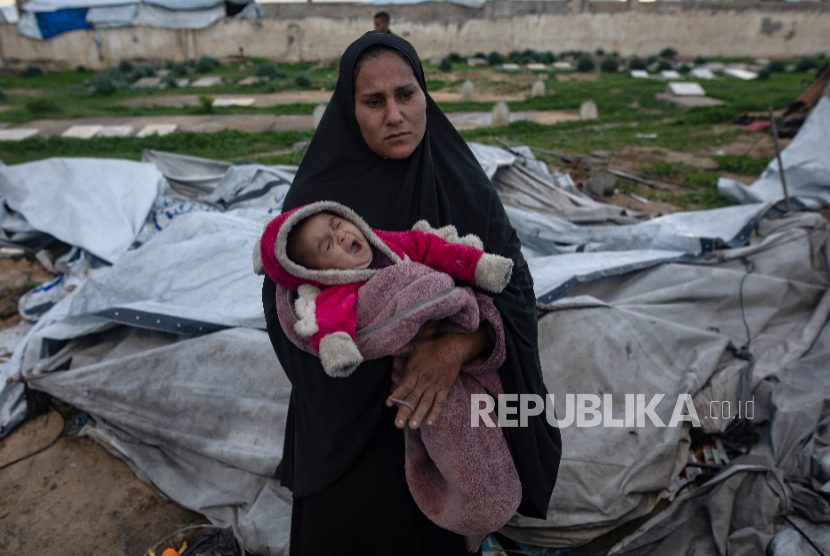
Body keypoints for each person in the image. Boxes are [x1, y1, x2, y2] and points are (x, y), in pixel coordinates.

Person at [261, 31, 561, 556]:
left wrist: (456, 348)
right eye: (373, 102)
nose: (395, 115)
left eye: (406, 95)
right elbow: (285, 306)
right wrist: (376, 342)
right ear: (349, 110)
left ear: (425, 95)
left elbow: (514, 288)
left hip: (446, 436)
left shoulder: (460, 183)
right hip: (354, 438)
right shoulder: (318, 202)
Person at [254, 200, 513, 376]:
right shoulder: (341, 288)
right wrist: (338, 350)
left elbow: (430, 248)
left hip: (457, 334)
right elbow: (330, 317)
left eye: (337, 224)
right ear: (316, 273)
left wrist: (480, 266)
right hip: (407, 365)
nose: (341, 235)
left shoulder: (389, 243)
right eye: (328, 246)